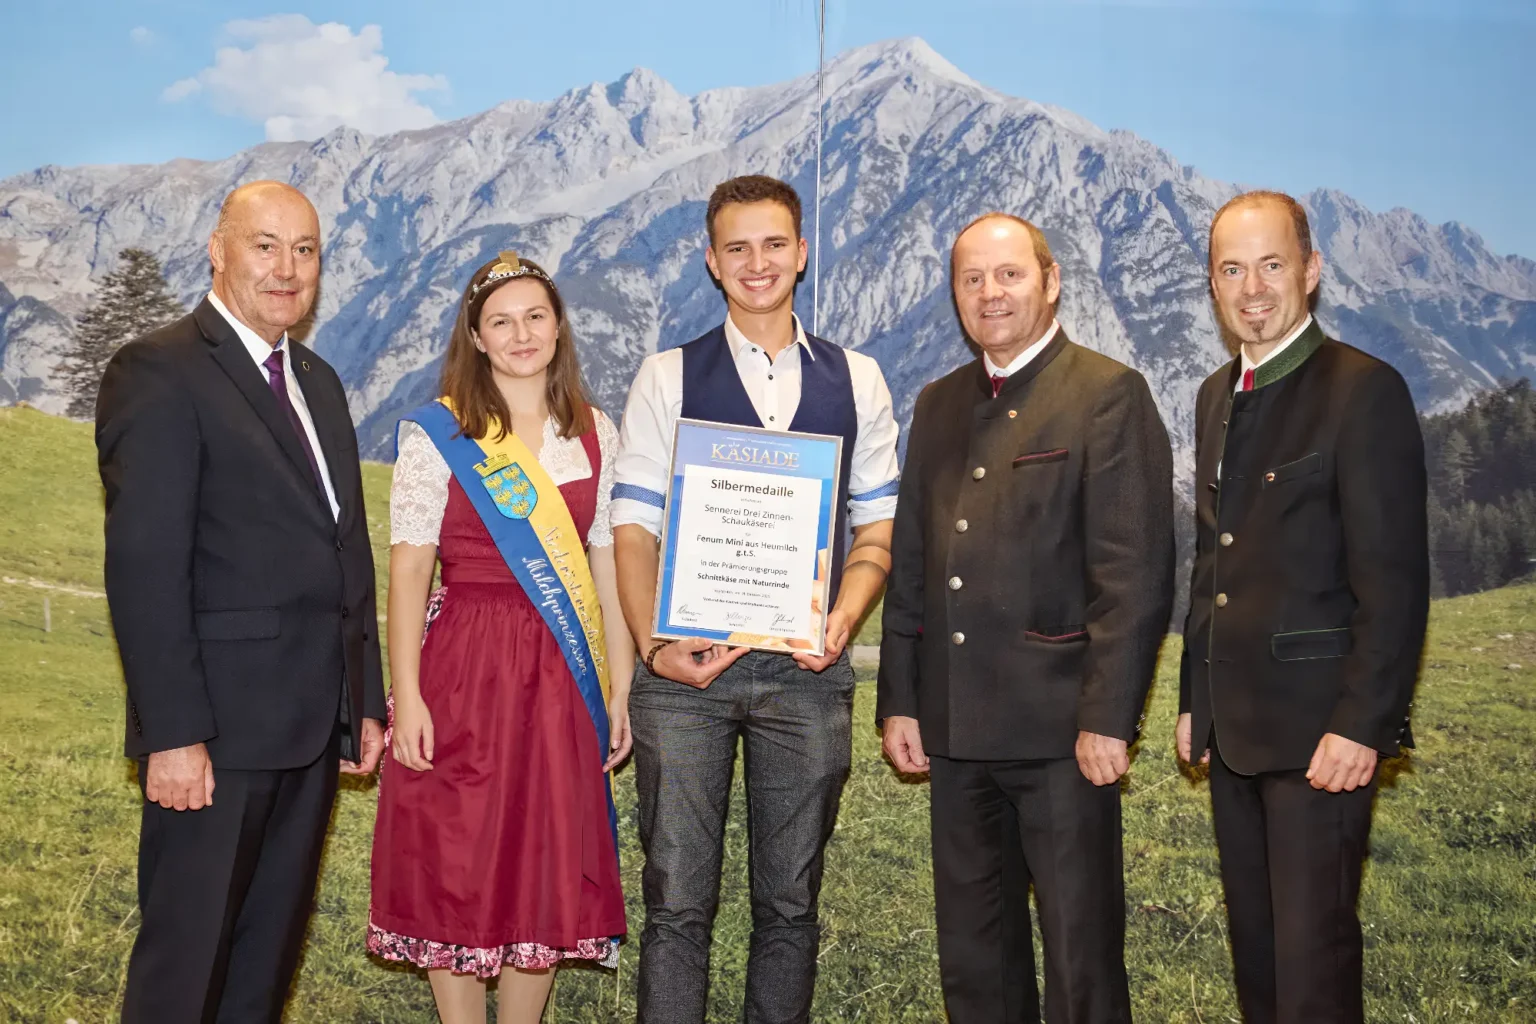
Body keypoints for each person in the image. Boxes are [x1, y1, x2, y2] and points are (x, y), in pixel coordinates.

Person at [610, 174, 901, 1023]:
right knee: (675, 906)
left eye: (774, 244)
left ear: (802, 253)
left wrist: (843, 618)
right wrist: (656, 648)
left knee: (789, 907)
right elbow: (634, 530)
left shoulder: (861, 380)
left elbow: (876, 532)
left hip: (806, 675)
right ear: (711, 261)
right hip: (684, 678)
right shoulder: (667, 376)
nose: (757, 262)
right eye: (736, 247)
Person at [97, 180, 386, 1023]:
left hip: (308, 735)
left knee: (262, 974)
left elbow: (345, 548)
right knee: (184, 979)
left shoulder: (319, 381)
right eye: (265, 245)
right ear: (217, 250)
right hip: (214, 742)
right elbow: (146, 569)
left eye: (305, 250)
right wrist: (174, 735)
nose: (287, 269)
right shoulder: (159, 369)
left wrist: (359, 700)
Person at [878, 213, 1174, 1023]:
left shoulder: (1108, 393)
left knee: (1081, 963)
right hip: (956, 729)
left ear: (1050, 282)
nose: (989, 293)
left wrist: (1109, 718)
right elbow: (912, 566)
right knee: (977, 962)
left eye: (1008, 275)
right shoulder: (937, 404)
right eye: (971, 279)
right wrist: (901, 699)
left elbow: (1135, 573)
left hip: (1063, 736)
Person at [1177, 190, 1428, 1024]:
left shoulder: (1364, 391)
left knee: (1312, 967)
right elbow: (1213, 560)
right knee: (1258, 956)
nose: (1252, 288)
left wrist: (1365, 724)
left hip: (1322, 736)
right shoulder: (1217, 395)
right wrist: (1194, 699)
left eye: (1272, 265)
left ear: (1312, 272)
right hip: (1235, 732)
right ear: (1213, 285)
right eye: (1232, 269)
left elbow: (1393, 583)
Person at [367, 251, 632, 1024]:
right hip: (464, 664)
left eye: (535, 317)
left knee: (542, 851)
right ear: (477, 338)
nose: (521, 335)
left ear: (558, 327)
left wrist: (619, 686)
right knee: (457, 846)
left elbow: (607, 563)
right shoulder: (438, 432)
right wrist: (407, 694)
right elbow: (411, 571)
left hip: (561, 667)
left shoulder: (594, 432)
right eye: (501, 322)